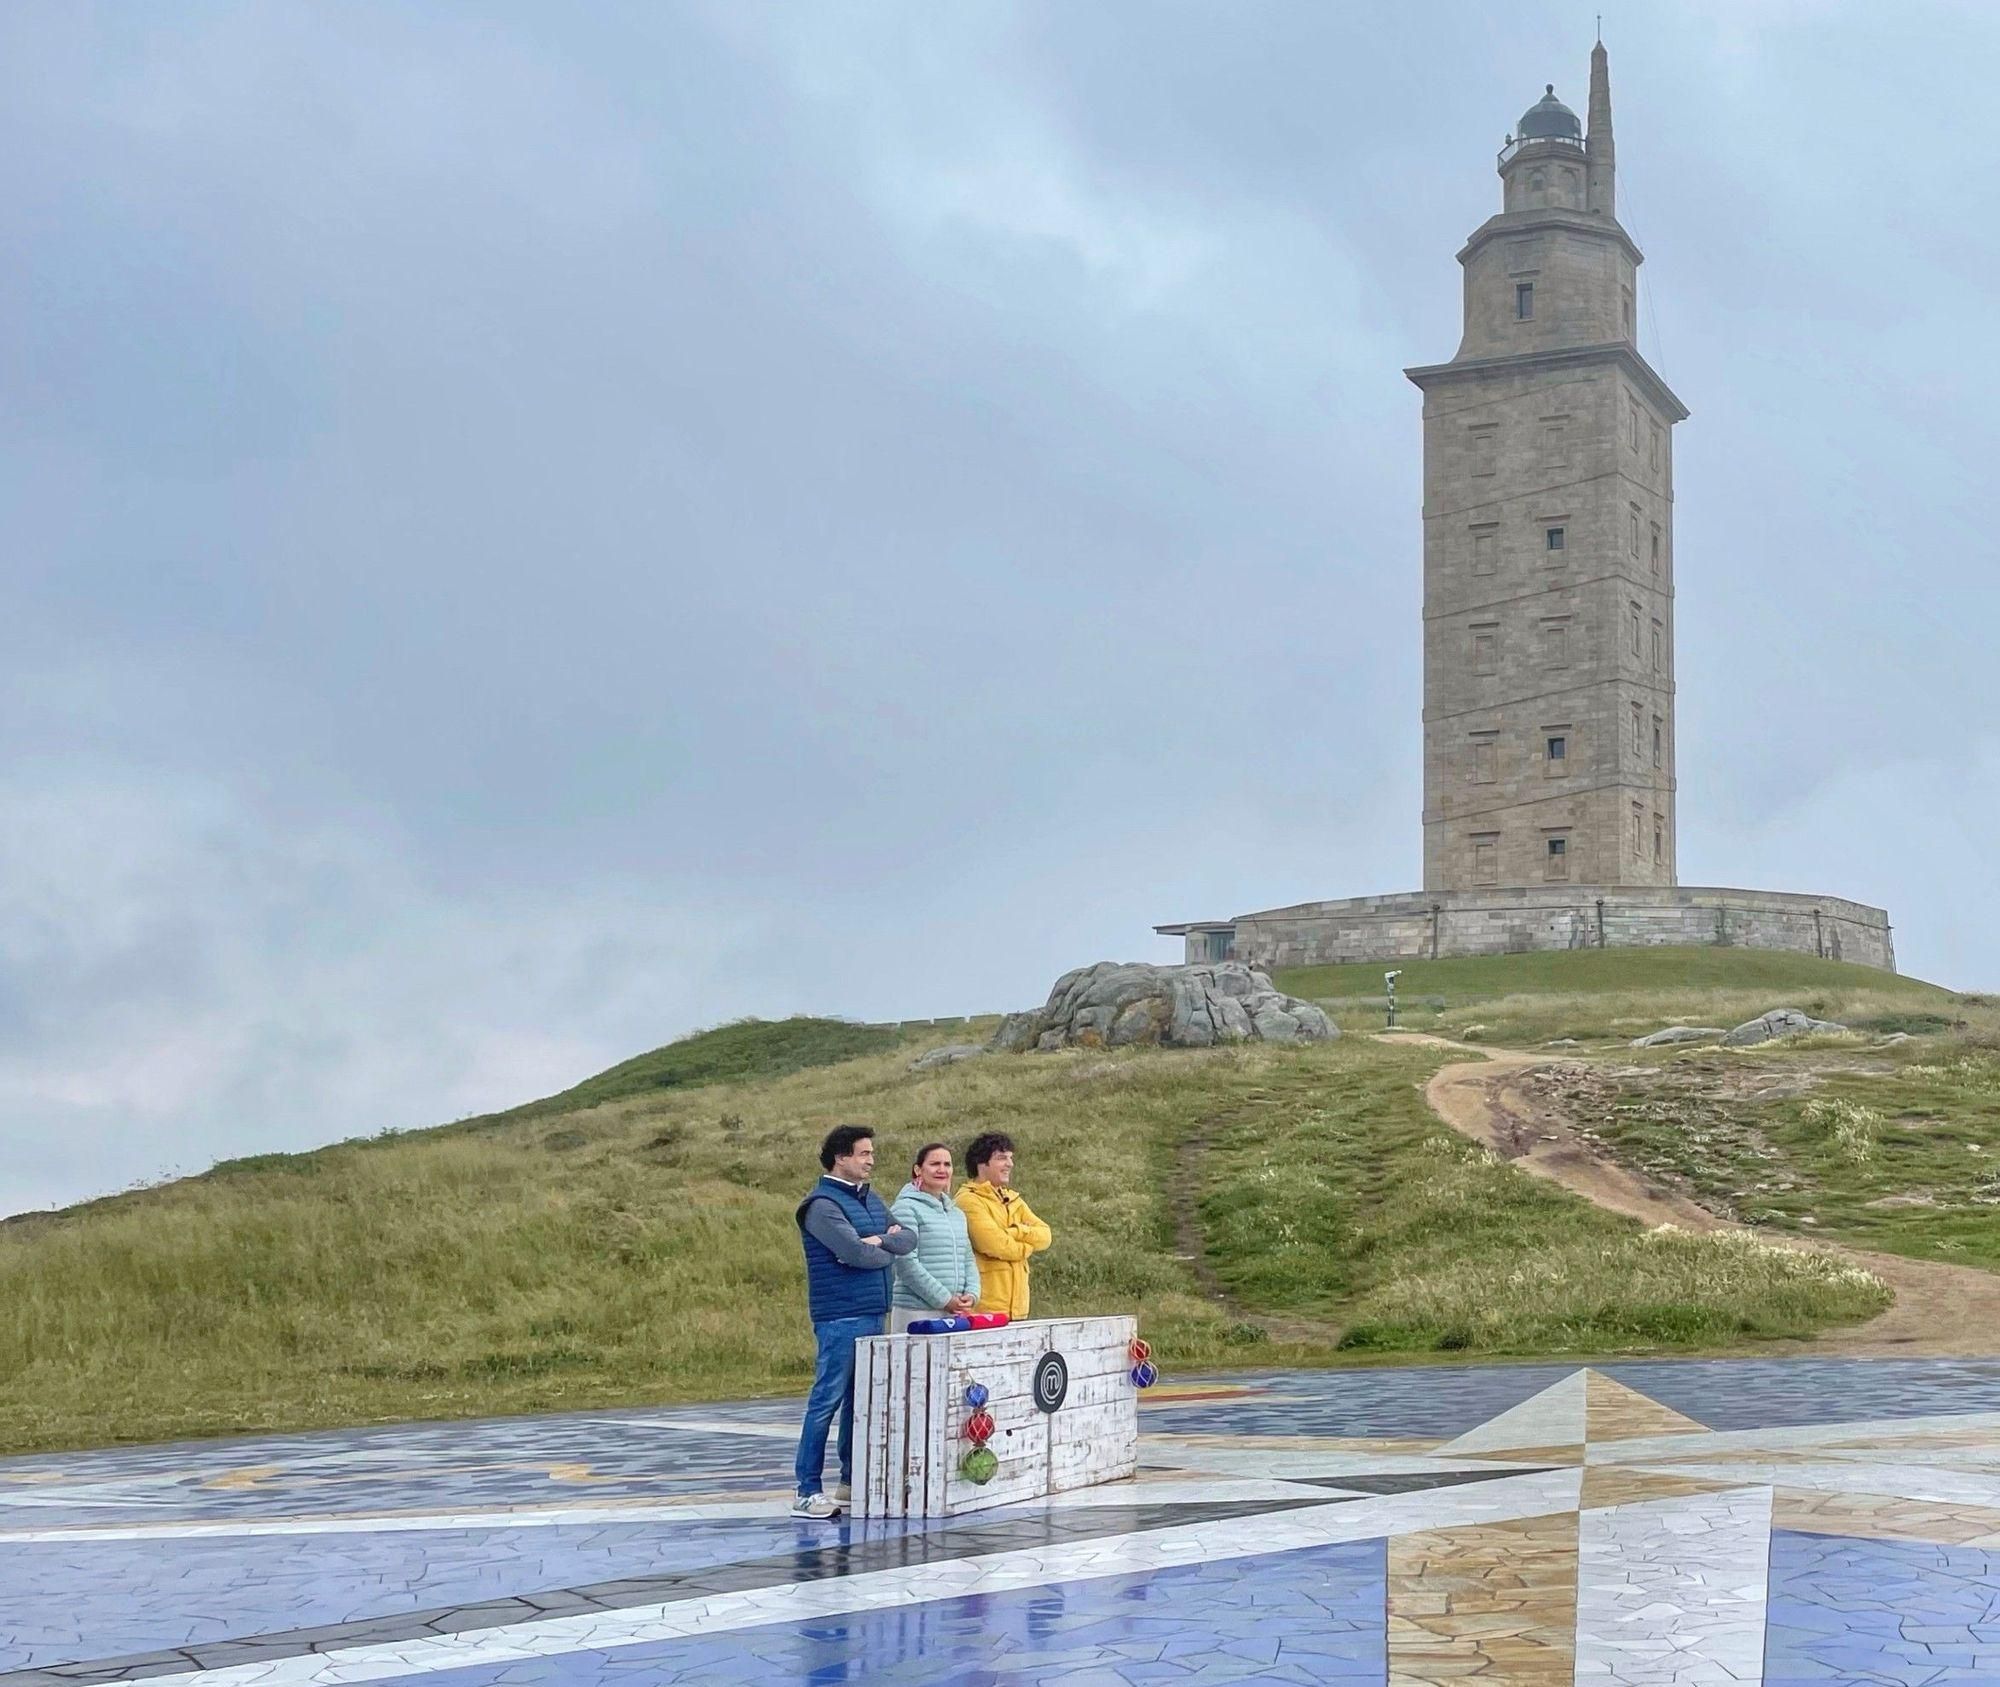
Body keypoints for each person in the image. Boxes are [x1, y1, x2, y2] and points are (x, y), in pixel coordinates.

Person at [792, 1123, 914, 1519]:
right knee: (826, 1400)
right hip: (841, 1315)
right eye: (863, 1153)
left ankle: (849, 1480)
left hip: (874, 1310)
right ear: (840, 1157)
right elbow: (855, 1254)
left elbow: (908, 1238)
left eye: (871, 1153)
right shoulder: (822, 1205)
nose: (871, 1160)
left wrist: (879, 1242)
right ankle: (807, 1489)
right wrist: (881, 1246)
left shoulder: (870, 1199)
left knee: (858, 1401)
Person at [954, 1131, 1052, 1319]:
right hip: (985, 1311)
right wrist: (1028, 1246)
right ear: (981, 1163)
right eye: (1002, 1158)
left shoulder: (1012, 1199)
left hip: (1018, 1311)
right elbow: (995, 1244)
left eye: (1010, 1158)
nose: (1010, 1164)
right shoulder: (968, 1201)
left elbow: (1046, 1235)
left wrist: (1015, 1232)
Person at [889, 1142, 980, 1334]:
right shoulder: (905, 1208)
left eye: (947, 1164)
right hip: (916, 1311)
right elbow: (906, 1263)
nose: (942, 1169)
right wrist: (944, 1299)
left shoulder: (957, 1213)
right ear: (918, 1170)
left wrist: (971, 1295)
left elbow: (967, 1258)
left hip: (954, 1313)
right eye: (934, 1164)